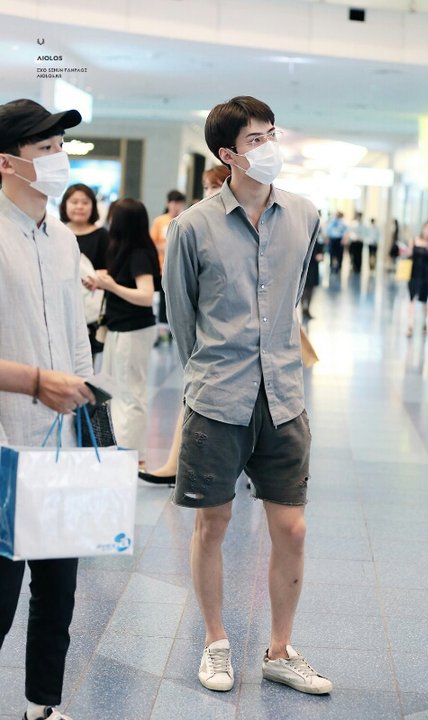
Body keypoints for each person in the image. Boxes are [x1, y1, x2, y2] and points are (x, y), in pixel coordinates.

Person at [163, 95, 333, 695]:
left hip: (284, 396)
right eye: (255, 139)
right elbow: (181, 317)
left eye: (271, 134)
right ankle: (215, 642)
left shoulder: (306, 215)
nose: (268, 147)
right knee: (214, 523)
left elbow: (294, 297)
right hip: (218, 397)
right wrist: (208, 374)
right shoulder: (192, 227)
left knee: (293, 528)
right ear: (227, 154)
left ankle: (280, 650)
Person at [0, 98, 93, 720]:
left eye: (62, 147)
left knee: (58, 594)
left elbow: (77, 342)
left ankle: (43, 707)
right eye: (46, 148)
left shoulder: (63, 241)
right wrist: (35, 382)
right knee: (0, 601)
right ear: (7, 162)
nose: (60, 159)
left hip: (63, 446)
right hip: (6, 446)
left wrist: (94, 433)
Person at [139, 165, 231, 485]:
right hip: (207, 333)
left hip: (236, 335)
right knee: (193, 396)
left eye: (215, 185)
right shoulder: (193, 223)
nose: (209, 193)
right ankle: (176, 464)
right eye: (206, 187)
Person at [82, 198, 159, 470]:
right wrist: (102, 282)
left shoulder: (139, 253)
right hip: (118, 327)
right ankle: (121, 450)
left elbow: (146, 295)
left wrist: (111, 286)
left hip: (133, 329)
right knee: (116, 389)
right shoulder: (123, 250)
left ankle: (132, 456)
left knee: (130, 392)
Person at [59, 183, 109, 357]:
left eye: (85, 202)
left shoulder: (102, 236)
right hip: (60, 304)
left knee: (85, 360)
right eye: (74, 202)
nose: (79, 206)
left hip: (90, 309)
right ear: (65, 205)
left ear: (93, 206)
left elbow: (108, 270)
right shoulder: (57, 232)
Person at [150, 189, 186, 342]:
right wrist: (164, 248)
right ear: (168, 203)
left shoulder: (185, 219)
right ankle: (163, 331)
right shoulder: (160, 221)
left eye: (179, 203)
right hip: (162, 266)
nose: (176, 206)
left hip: (179, 267)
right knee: (163, 299)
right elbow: (152, 243)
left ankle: (176, 330)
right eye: (173, 202)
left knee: (178, 298)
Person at [406, 219, 428, 337]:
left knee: (425, 301)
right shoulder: (414, 240)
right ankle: (410, 325)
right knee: (412, 299)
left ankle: (425, 323)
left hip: (425, 275)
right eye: (427, 227)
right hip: (414, 273)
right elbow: (409, 254)